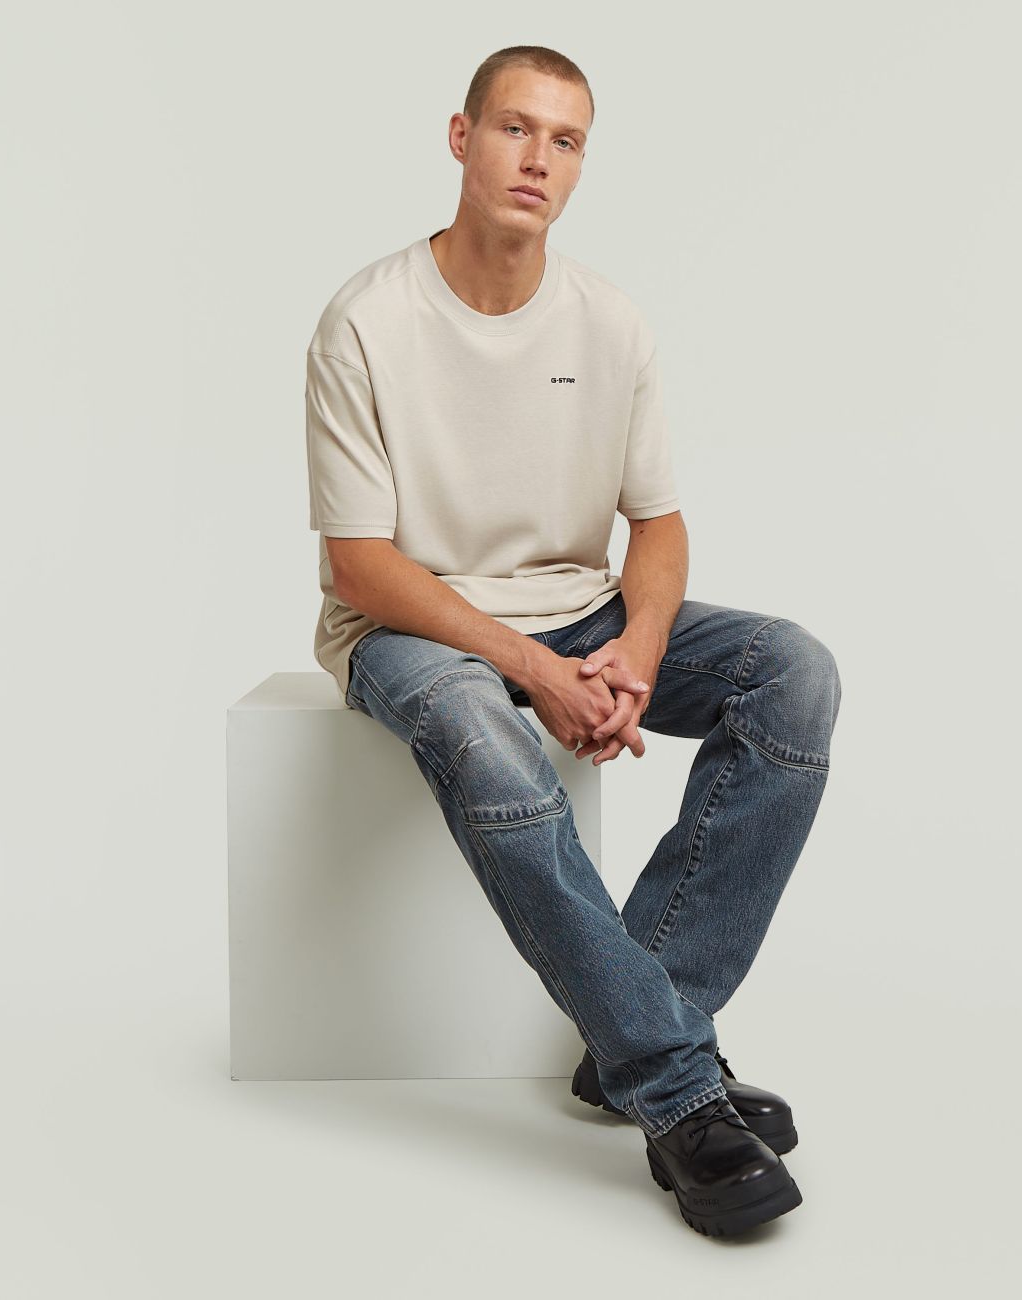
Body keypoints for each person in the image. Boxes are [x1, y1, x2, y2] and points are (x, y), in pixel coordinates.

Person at [303, 44, 841, 1239]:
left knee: (792, 675)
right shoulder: (365, 320)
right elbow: (361, 565)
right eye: (514, 129)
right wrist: (533, 669)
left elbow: (658, 523)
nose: (536, 159)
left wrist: (635, 648)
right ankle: (677, 1087)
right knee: (485, 736)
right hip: (410, 622)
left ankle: (634, 1030)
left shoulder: (610, 321)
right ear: (460, 137)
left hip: (579, 604)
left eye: (565, 140)